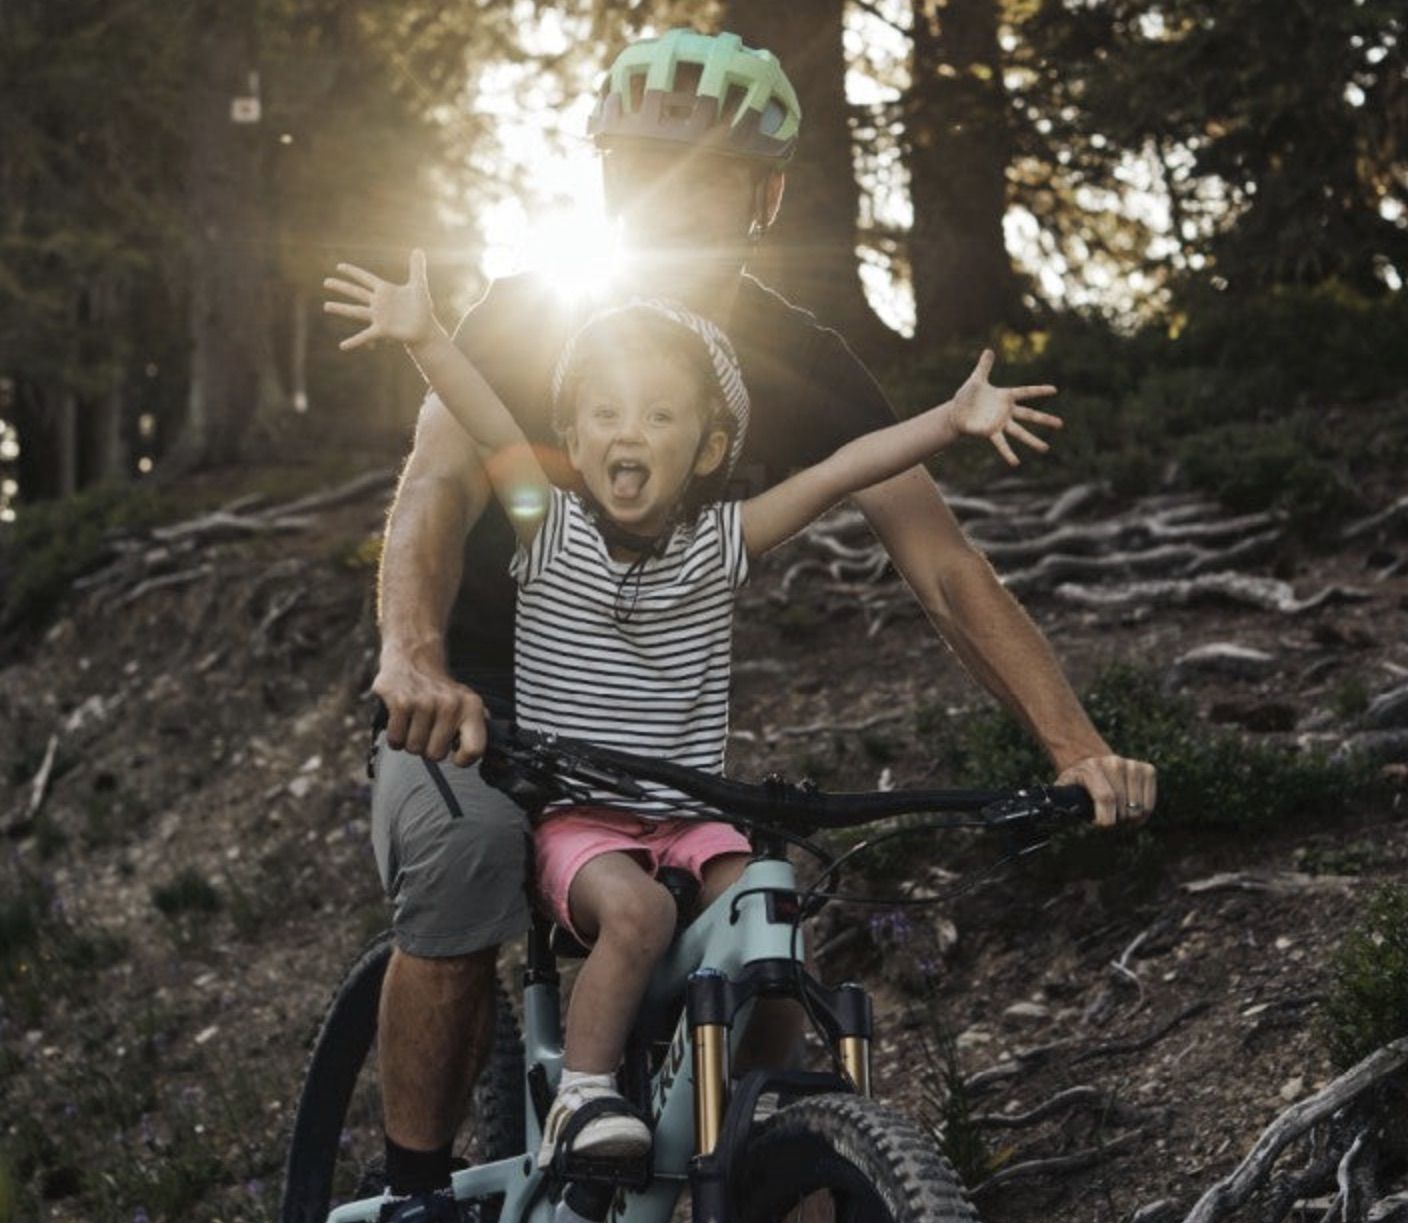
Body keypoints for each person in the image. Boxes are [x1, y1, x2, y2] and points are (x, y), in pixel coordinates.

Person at [350, 27, 1156, 1223]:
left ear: (764, 197)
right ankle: (411, 1200)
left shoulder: (793, 358)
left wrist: (1074, 747)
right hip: (475, 696)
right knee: (463, 856)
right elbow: (434, 492)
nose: (666, 201)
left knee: (754, 946)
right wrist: (414, 656)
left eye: (705, 179)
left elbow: (942, 565)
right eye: (638, 172)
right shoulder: (524, 316)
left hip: (640, 726)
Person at [327, 250, 1065, 1168]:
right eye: (605, 415)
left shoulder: (722, 542)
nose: (628, 434)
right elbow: (482, 421)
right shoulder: (542, 521)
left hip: (686, 816)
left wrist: (950, 421)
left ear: (710, 452)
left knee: (767, 906)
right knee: (638, 916)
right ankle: (584, 1095)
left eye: (659, 416)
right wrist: (427, 338)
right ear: (571, 438)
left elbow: (841, 470)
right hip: (582, 821)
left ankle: (770, 1104)